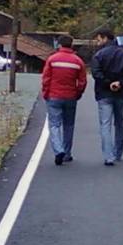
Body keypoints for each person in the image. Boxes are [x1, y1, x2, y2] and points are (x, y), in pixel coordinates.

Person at [90, 30, 123, 166]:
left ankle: (108, 156)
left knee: (105, 124)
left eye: (99, 40)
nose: (98, 43)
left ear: (105, 38)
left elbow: (96, 73)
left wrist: (107, 83)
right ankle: (118, 152)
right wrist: (120, 83)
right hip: (120, 93)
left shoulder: (99, 55)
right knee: (120, 123)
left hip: (104, 94)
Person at [41, 36, 87, 166]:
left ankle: (58, 150)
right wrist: (78, 93)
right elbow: (82, 81)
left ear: (59, 44)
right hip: (70, 97)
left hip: (54, 96)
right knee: (69, 125)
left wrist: (45, 93)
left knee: (54, 124)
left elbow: (46, 79)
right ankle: (67, 153)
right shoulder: (78, 61)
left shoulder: (52, 59)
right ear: (71, 45)